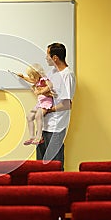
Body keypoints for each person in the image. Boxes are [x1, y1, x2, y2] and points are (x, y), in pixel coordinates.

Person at [36, 43, 76, 171]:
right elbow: (47, 89)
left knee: (55, 166)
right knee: (41, 166)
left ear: (55, 58)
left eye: (47, 55)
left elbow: (66, 104)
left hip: (56, 126)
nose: (46, 58)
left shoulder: (67, 75)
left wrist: (49, 110)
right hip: (45, 125)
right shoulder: (52, 72)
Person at [17, 63, 56, 145]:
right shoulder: (37, 80)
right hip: (40, 103)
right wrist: (23, 77)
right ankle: (32, 137)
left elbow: (50, 85)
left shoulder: (44, 79)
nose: (32, 79)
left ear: (38, 74)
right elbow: (31, 80)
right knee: (29, 117)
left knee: (38, 116)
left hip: (46, 102)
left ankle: (39, 137)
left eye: (33, 76)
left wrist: (41, 91)